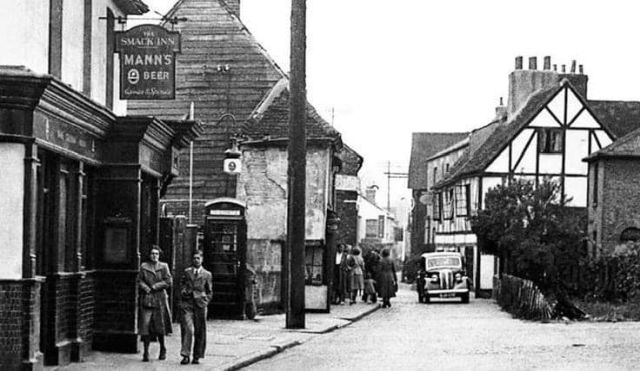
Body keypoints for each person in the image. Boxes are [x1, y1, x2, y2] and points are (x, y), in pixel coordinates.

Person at [137, 245, 172, 362]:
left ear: (159, 255)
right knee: (145, 326)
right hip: (147, 298)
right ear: (149, 255)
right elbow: (139, 280)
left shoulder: (164, 266)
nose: (154, 256)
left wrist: (155, 286)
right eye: (152, 253)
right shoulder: (144, 266)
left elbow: (168, 281)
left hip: (160, 299)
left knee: (160, 325)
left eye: (156, 254)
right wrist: (146, 288)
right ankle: (146, 352)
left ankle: (162, 348)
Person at [179, 250, 213, 365]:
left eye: (198, 258)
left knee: (200, 330)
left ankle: (197, 356)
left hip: (200, 305)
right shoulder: (187, 272)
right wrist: (183, 291)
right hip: (187, 304)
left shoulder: (207, 274)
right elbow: (182, 284)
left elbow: (209, 291)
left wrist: (205, 301)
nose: (196, 260)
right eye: (194, 258)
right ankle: (185, 355)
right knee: (188, 329)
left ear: (202, 259)